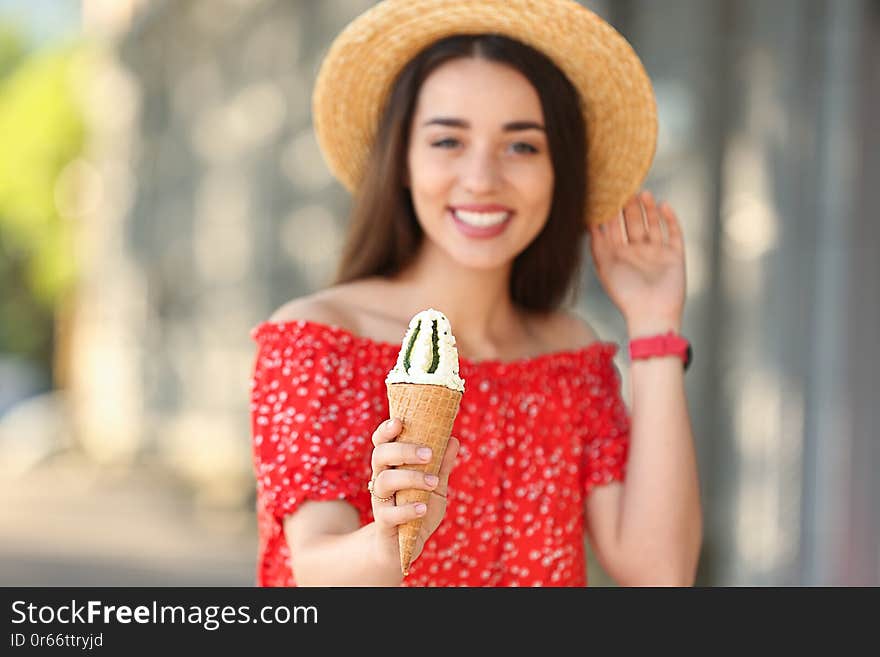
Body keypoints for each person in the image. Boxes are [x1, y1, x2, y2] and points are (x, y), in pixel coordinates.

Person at [249, 0, 702, 587]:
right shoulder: (318, 341)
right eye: (447, 141)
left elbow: (661, 573)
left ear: (557, 170)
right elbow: (314, 571)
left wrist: (653, 322)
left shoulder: (569, 357)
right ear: (403, 161)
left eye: (522, 146)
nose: (483, 178)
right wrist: (391, 541)